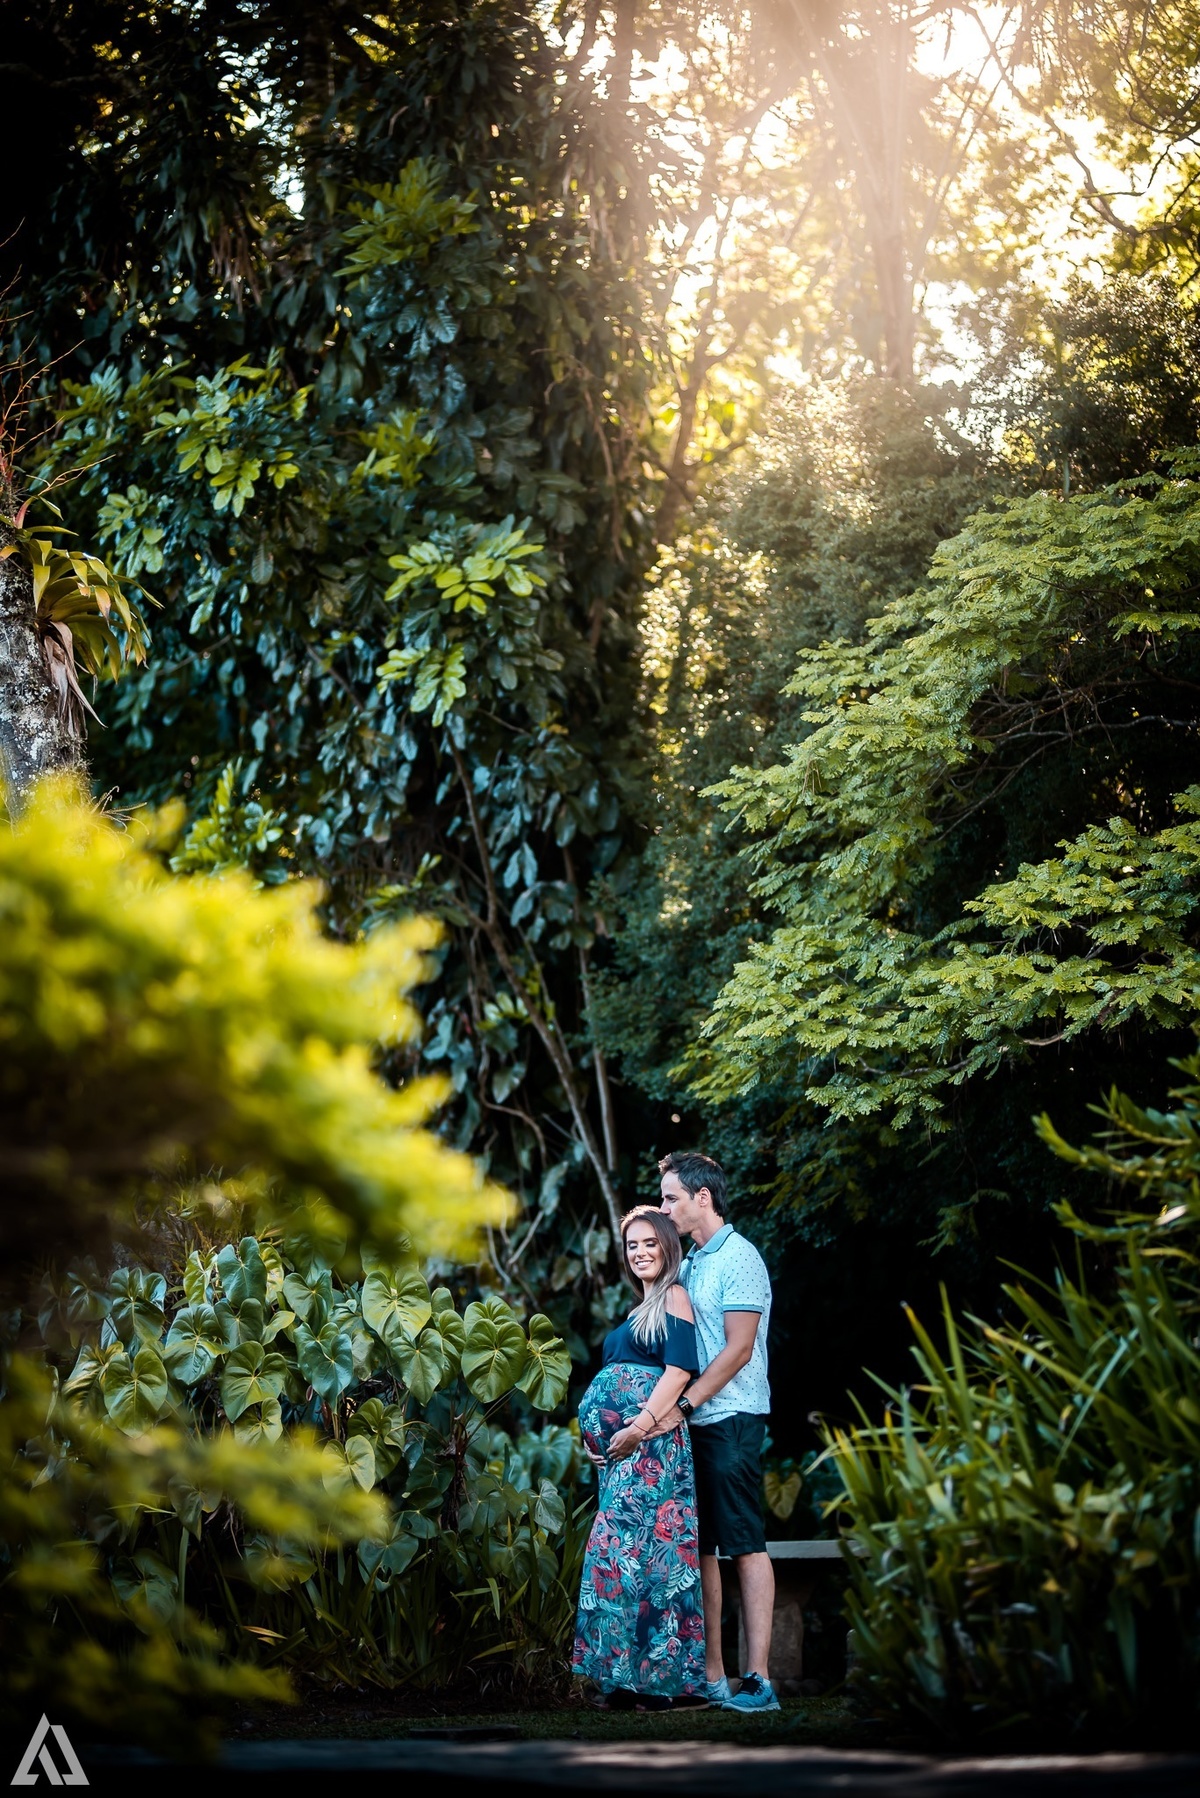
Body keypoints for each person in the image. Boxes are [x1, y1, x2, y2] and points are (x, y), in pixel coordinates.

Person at [655, 1151, 778, 1714]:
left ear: (703, 1198)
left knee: (744, 1544)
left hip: (732, 1419)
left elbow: (739, 1348)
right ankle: (713, 1678)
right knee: (702, 1549)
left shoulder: (740, 1257)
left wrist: (685, 1402)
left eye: (671, 1198)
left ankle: (760, 1682)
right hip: (695, 1423)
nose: (665, 1208)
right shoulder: (696, 1261)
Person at [571, 1205, 706, 1709]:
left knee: (645, 1557)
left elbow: (678, 1373)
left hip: (652, 1449)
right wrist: (600, 1438)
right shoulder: (637, 1311)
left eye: (650, 1243)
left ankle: (659, 1681)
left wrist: (637, 1429)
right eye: (632, 1245)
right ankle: (624, 1680)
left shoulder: (674, 1297)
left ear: (669, 1247)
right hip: (622, 1455)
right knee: (624, 1557)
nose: (641, 1252)